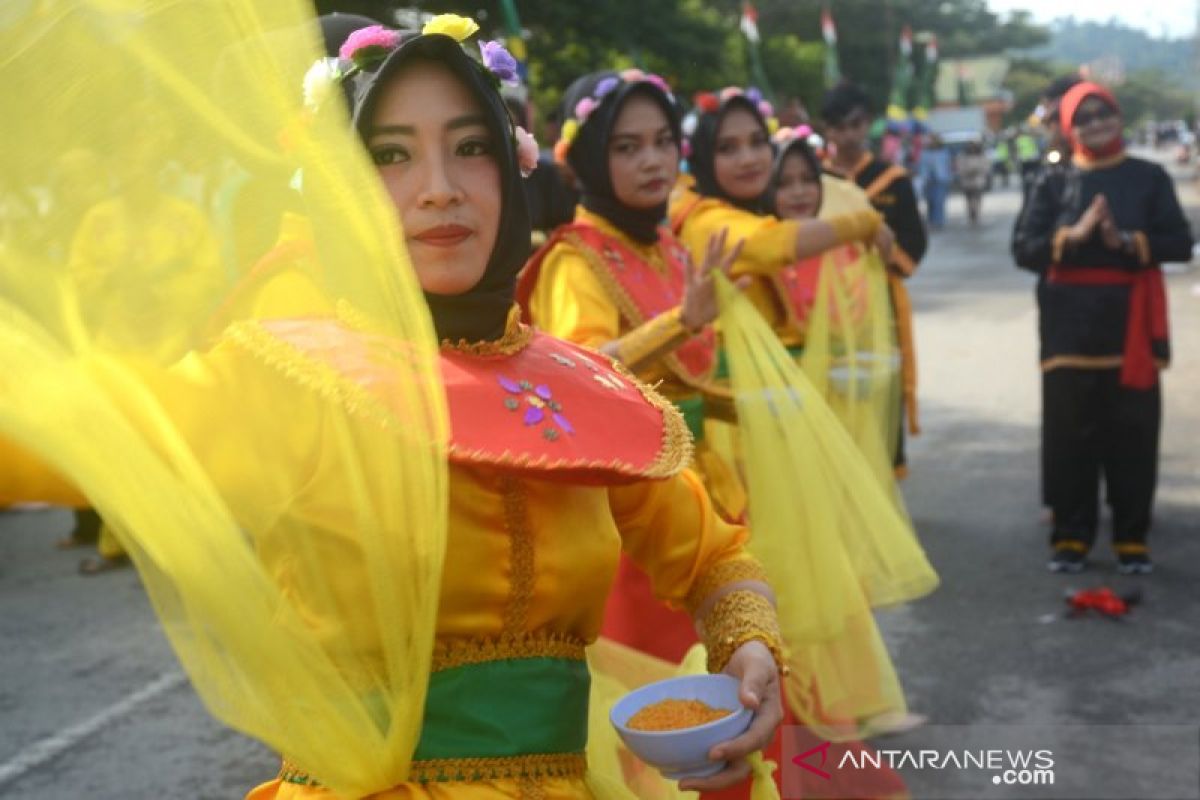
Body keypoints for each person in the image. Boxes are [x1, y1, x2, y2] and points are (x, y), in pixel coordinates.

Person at [0, 12, 785, 798]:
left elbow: (716, 557)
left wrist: (746, 647)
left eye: (470, 147)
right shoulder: (291, 380)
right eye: (391, 155)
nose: (439, 188)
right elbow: (61, 429)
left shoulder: (583, 388)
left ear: (512, 168)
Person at [1012, 81, 1193, 575]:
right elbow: (1024, 249)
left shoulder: (1149, 177)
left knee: (1132, 433)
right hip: (1068, 329)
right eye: (1084, 117)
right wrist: (1073, 235)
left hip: (1129, 326)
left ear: (1118, 117)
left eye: (1104, 113)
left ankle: (1132, 536)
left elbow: (1179, 241)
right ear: (1069, 128)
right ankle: (1071, 536)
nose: (1095, 124)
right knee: (1071, 436)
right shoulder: (1053, 182)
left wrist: (1127, 240)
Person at [821, 81, 926, 476]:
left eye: (855, 125)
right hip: (821, 303)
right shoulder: (812, 178)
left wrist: (886, 253)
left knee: (881, 385)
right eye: (837, 127)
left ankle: (885, 474)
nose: (847, 136)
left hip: (879, 299)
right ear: (826, 129)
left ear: (868, 125)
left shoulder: (892, 179)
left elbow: (915, 240)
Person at [917, 134, 952, 230]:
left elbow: (948, 166)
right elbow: (921, 167)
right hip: (928, 181)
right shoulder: (925, 153)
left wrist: (949, 178)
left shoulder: (944, 152)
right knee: (930, 201)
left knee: (939, 201)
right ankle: (931, 220)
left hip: (941, 180)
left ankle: (938, 221)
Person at [955, 139, 990, 225]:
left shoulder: (982, 155)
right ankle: (971, 214)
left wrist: (978, 170)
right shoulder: (962, 156)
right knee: (969, 200)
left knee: (977, 199)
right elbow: (959, 168)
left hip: (978, 181)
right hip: (967, 182)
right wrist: (968, 171)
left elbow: (986, 167)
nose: (972, 148)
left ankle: (976, 214)